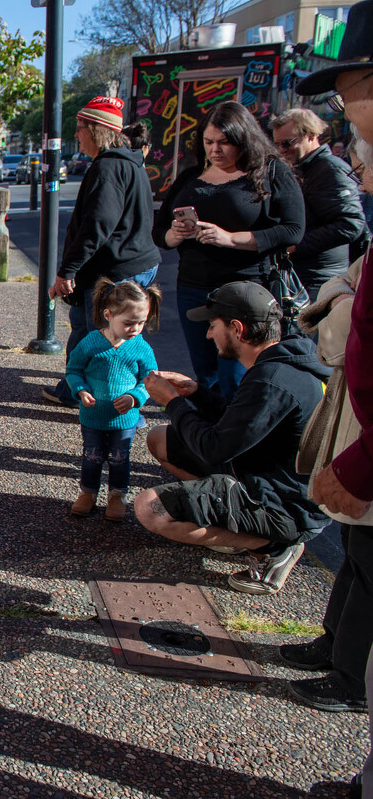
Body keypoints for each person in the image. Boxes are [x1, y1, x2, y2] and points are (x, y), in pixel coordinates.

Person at [134, 281, 328, 595]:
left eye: (213, 326)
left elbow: (214, 449)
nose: (209, 335)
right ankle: (236, 527)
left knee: (149, 509)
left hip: (287, 507)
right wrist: (196, 392)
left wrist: (172, 402)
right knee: (160, 439)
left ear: (237, 329)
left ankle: (274, 546)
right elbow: (238, 424)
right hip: (263, 472)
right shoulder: (281, 361)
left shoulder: (272, 381)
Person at [280, 132, 373, 718]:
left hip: (365, 433)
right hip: (357, 421)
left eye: (361, 161)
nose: (357, 172)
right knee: (357, 549)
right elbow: (345, 284)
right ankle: (336, 645)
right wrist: (341, 297)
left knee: (369, 557)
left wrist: (341, 302)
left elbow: (340, 324)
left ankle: (351, 675)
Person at [153, 101, 305, 401]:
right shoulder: (191, 175)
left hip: (245, 289)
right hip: (193, 287)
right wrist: (174, 234)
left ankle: (237, 425)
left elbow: (293, 229)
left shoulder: (270, 171)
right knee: (206, 374)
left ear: (244, 140)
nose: (215, 150)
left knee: (237, 375)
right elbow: (159, 232)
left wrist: (232, 239)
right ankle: (213, 426)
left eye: (224, 142)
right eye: (208, 142)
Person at [42, 96, 161, 409]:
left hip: (116, 268)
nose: (76, 135)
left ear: (96, 130)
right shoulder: (128, 162)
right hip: (126, 263)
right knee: (86, 330)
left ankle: (109, 406)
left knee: (107, 342)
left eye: (80, 128)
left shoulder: (109, 167)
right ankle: (73, 390)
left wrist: (68, 271)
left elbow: (97, 226)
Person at [64, 278, 161, 521]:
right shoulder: (91, 342)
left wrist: (134, 397)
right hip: (93, 416)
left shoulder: (141, 348)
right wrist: (80, 390)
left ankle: (118, 495)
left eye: (141, 322)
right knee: (92, 456)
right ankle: (88, 493)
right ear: (108, 315)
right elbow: (73, 370)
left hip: (124, 419)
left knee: (120, 458)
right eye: (129, 323)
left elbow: (150, 380)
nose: (135, 328)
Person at [270, 108, 368, 300]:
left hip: (319, 278)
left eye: (288, 142)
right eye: (278, 144)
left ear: (311, 135)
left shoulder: (330, 169)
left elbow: (351, 224)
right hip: (302, 274)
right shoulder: (301, 168)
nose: (282, 149)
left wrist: (297, 245)